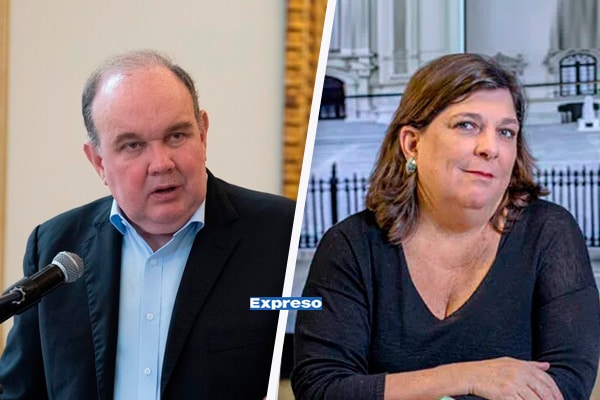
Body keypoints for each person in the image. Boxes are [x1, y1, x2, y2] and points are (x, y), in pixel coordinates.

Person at [292, 53, 600, 400]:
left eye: (506, 132)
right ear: (412, 143)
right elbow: (321, 389)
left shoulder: (550, 233)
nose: (491, 148)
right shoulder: (351, 245)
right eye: (467, 125)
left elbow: (564, 387)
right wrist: (466, 377)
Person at [0, 50, 295, 399]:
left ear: (203, 133)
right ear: (98, 162)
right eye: (133, 145)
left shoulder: (280, 233)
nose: (161, 163)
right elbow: (19, 392)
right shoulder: (55, 247)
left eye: (176, 136)